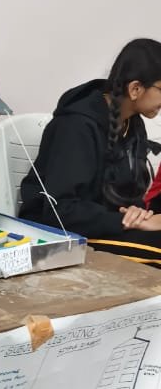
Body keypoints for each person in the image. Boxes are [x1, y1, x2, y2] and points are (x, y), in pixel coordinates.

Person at [19, 38, 161, 266]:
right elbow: (61, 211)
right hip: (60, 233)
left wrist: (135, 214)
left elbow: (125, 195)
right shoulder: (76, 126)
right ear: (135, 89)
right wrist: (127, 221)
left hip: (105, 225)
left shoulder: (133, 124)